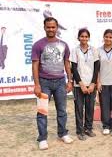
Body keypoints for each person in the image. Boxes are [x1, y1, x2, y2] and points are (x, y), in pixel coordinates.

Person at [31, 17, 73, 150]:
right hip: (44, 83)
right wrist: (37, 84)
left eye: (53, 27)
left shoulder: (64, 45)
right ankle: (42, 138)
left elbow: (67, 63)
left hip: (60, 82)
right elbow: (35, 65)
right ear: (44, 28)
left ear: (57, 28)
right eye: (48, 27)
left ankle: (62, 133)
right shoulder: (38, 45)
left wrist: (70, 80)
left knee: (62, 111)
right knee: (42, 112)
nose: (51, 29)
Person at [70, 28, 100, 140]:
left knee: (90, 107)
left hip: (91, 84)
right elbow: (74, 68)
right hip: (79, 85)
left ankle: (88, 128)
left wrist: (93, 83)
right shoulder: (75, 50)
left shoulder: (93, 50)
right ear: (78, 38)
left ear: (89, 38)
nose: (84, 38)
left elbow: (97, 67)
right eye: (82, 36)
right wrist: (81, 84)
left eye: (86, 36)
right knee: (79, 108)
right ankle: (80, 131)